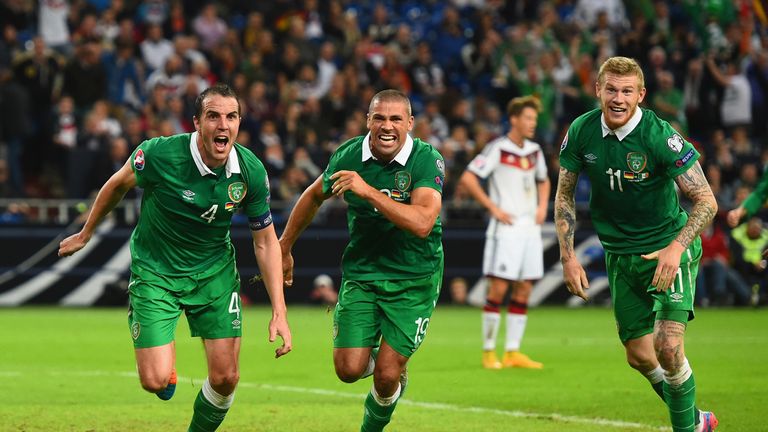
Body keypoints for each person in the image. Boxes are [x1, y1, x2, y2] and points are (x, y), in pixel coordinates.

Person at [58, 84, 292, 432]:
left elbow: (265, 242)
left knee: (226, 377)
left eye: (231, 117)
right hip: (156, 272)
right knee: (154, 381)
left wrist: (279, 310)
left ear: (240, 123)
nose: (222, 125)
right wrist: (86, 232)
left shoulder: (251, 171)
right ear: (197, 122)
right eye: (213, 116)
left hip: (214, 274)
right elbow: (118, 183)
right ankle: (162, 362)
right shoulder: (159, 154)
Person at [554, 57, 719, 432]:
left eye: (627, 91)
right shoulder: (581, 130)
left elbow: (707, 200)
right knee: (640, 356)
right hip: (619, 254)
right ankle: (697, 419)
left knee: (668, 346)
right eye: (611, 89)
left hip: (666, 248)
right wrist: (568, 257)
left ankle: (687, 429)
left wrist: (677, 248)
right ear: (598, 89)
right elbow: (564, 195)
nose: (618, 98)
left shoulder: (659, 135)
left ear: (641, 95)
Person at [279, 89, 444, 432]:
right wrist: (284, 245)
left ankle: (377, 412)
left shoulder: (426, 159)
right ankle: (389, 365)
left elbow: (423, 222)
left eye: (396, 119)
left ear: (409, 124)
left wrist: (367, 190)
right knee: (348, 369)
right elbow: (313, 195)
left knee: (385, 377)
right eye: (379, 118)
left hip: (415, 278)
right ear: (368, 120)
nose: (387, 126)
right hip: (364, 272)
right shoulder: (349, 156)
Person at [457, 95, 549, 370]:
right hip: (505, 229)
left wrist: (543, 206)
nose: (533, 123)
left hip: (529, 228)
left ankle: (512, 352)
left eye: (534, 118)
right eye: (529, 118)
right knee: (498, 288)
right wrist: (492, 208)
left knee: (524, 288)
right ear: (515, 120)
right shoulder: (497, 148)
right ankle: (488, 352)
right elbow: (468, 177)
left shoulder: (534, 151)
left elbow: (543, 181)